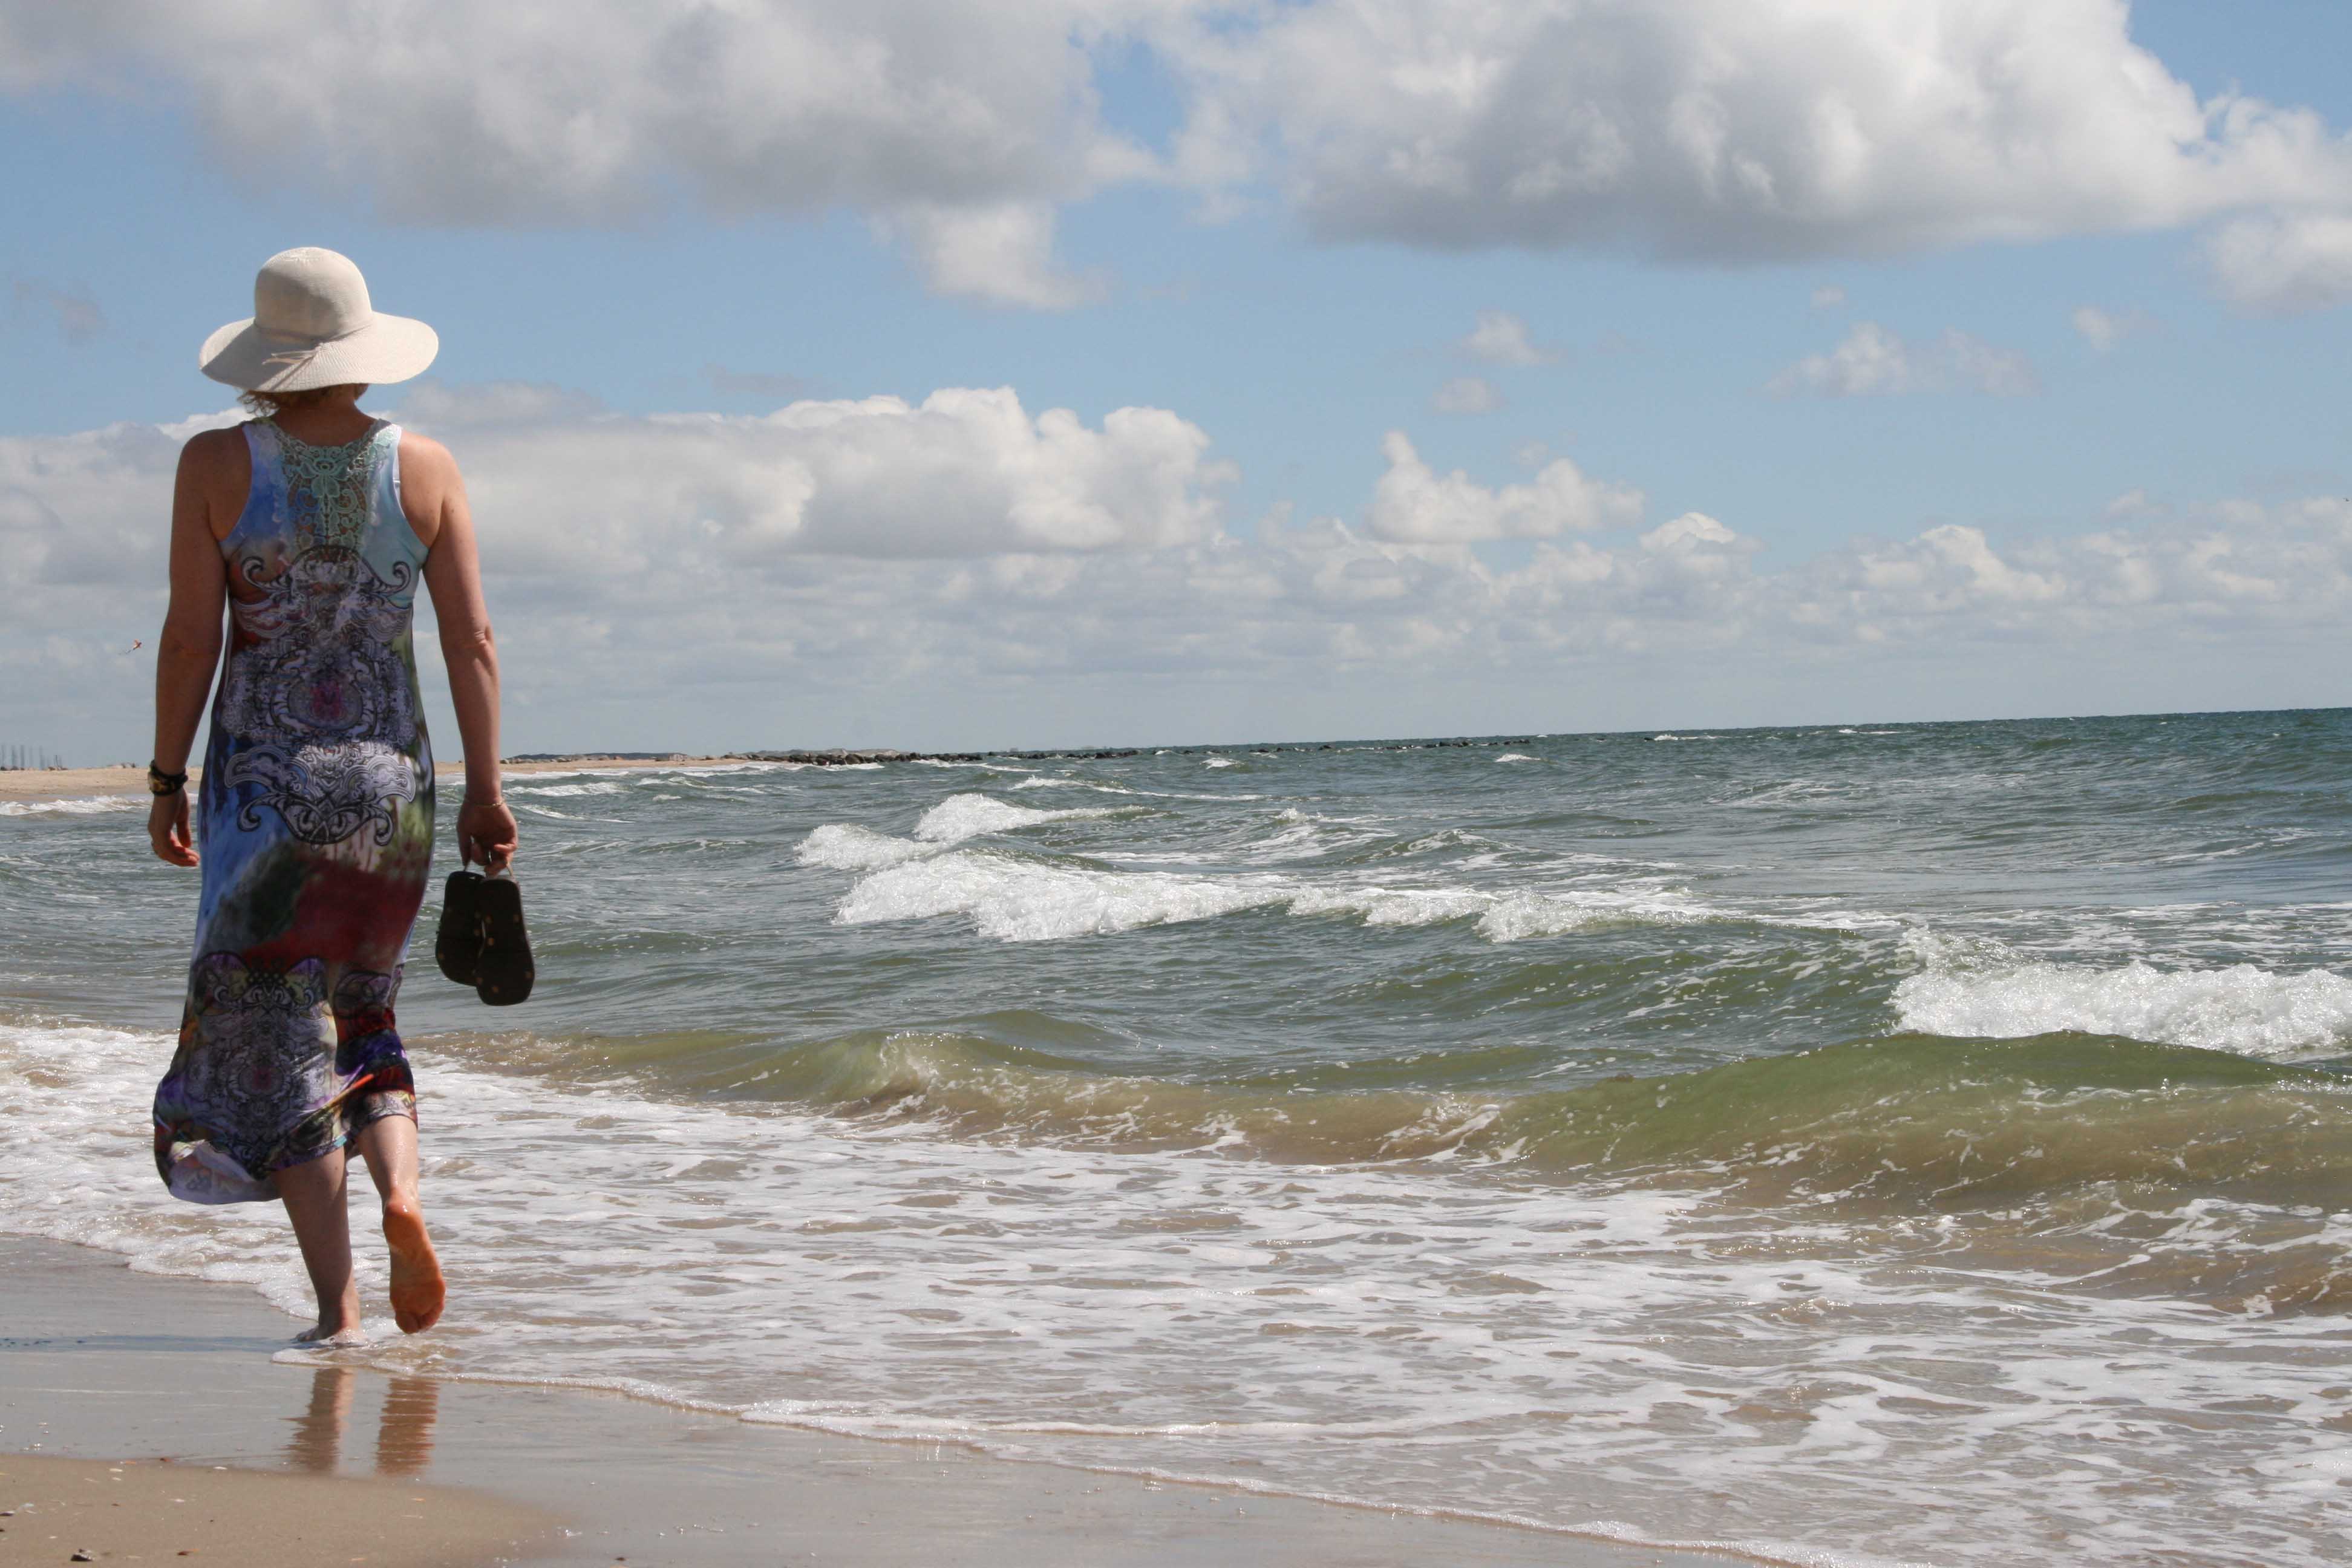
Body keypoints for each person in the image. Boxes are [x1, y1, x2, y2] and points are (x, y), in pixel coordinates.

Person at [145, 247, 517, 1343]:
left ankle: (338, 1308)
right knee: (366, 1014)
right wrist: (488, 794)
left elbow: (187, 637)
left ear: (265, 359)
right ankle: (402, 1192)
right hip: (392, 788)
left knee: (279, 1036)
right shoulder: (428, 465)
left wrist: (166, 776)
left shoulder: (215, 463)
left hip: (263, 792)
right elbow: (472, 640)